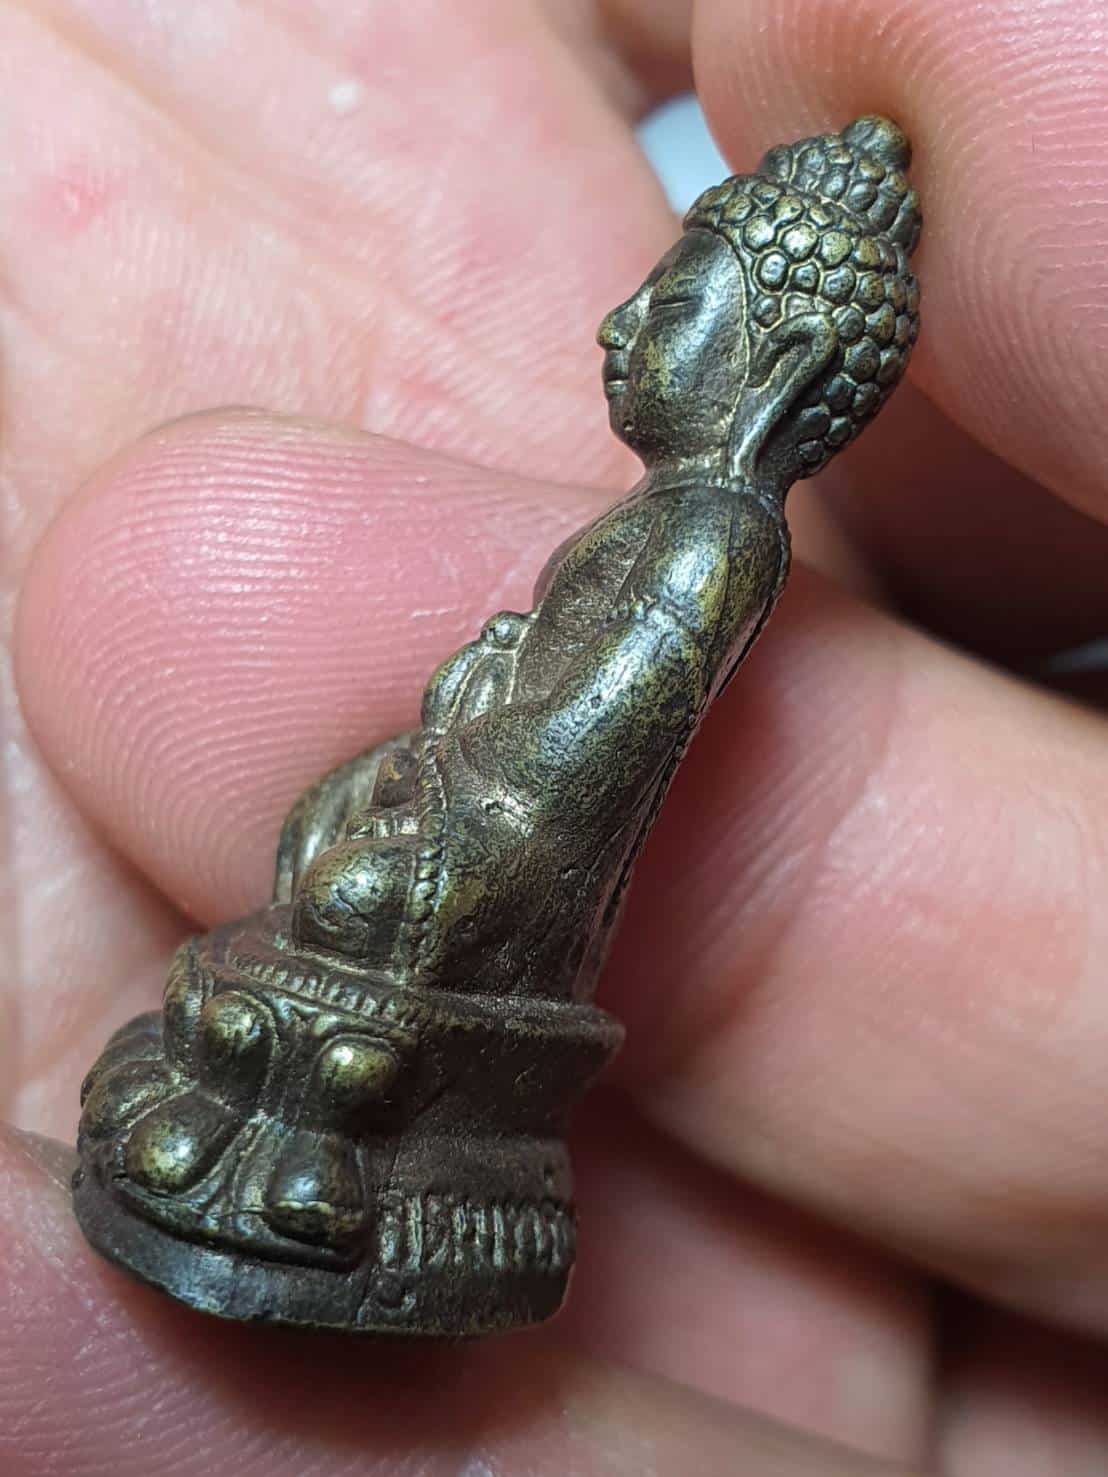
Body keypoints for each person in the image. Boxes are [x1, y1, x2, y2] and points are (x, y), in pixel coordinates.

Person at [3, 1, 1107, 1471]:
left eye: (677, 301)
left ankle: (321, 1141)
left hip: (491, 866)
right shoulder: (671, 518)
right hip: (465, 842)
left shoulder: (714, 538)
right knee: (313, 867)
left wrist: (443, 801)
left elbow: (578, 761)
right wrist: (439, 744)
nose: (620, 324)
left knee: (346, 909)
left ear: (778, 368)